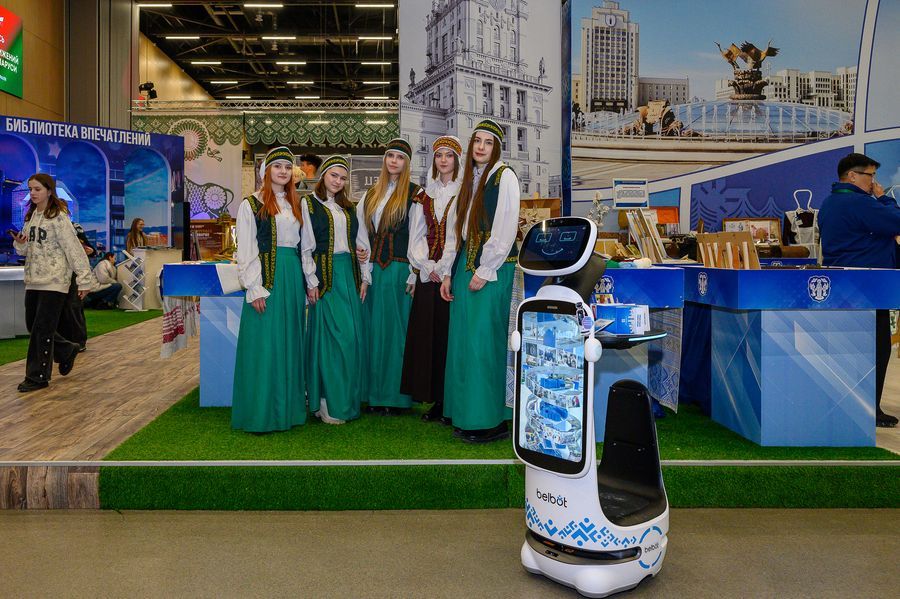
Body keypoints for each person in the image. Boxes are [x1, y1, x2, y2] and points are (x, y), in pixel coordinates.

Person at [439, 119, 520, 443]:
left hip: (493, 270)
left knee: (484, 343)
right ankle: (466, 414)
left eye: (488, 142)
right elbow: (455, 231)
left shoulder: (505, 176)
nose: (482, 147)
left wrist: (485, 270)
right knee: (463, 343)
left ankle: (490, 420)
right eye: (478, 141)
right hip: (464, 266)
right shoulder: (467, 180)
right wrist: (448, 271)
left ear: (496, 147)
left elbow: (505, 227)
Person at [819, 152, 900, 428]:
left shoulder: (829, 202)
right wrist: (884, 198)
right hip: (869, 286)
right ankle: (870, 408)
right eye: (870, 176)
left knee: (852, 349)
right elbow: (896, 220)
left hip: (845, 285)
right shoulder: (859, 203)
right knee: (877, 348)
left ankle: (857, 405)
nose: (874, 182)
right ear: (852, 176)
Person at [232, 146, 309, 433]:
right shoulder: (251, 204)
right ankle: (261, 413)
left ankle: (287, 411)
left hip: (292, 277)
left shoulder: (296, 204)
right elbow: (246, 249)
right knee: (264, 344)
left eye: (287, 167)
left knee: (289, 342)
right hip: (268, 279)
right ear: (266, 171)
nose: (283, 171)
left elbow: (305, 246)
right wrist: (255, 287)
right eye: (277, 166)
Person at [10, 173, 97, 393]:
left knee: (42, 328)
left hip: (55, 280)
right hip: (33, 280)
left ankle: (37, 376)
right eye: (30, 189)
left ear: (49, 191)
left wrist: (84, 280)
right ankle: (67, 350)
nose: (32, 193)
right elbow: (25, 249)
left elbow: (74, 250)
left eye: (37, 189)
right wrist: (19, 243)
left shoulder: (59, 218)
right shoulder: (31, 217)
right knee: (33, 325)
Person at [300, 155, 370, 424]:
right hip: (326, 278)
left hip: (348, 276)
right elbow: (306, 245)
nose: (338, 181)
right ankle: (327, 402)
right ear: (323, 176)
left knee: (350, 340)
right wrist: (312, 280)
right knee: (331, 341)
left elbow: (361, 244)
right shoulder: (309, 204)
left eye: (342, 178)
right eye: (334, 175)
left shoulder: (350, 208)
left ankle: (345, 400)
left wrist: (364, 276)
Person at [358, 138, 425, 415]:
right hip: (376, 271)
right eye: (390, 156)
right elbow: (362, 237)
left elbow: (418, 236)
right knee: (375, 333)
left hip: (399, 271)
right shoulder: (371, 195)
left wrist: (414, 273)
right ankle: (375, 396)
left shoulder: (415, 194)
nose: (394, 161)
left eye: (399, 157)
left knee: (398, 333)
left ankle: (397, 398)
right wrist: (365, 274)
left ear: (406, 163)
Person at [401, 135, 463, 423]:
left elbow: (457, 236)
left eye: (449, 155)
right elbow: (415, 236)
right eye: (439, 155)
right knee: (430, 336)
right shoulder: (423, 195)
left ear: (457, 160)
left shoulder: (463, 193)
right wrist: (426, 266)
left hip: (453, 272)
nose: (443, 160)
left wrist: (445, 266)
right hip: (428, 275)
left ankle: (452, 399)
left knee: (451, 336)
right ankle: (436, 399)